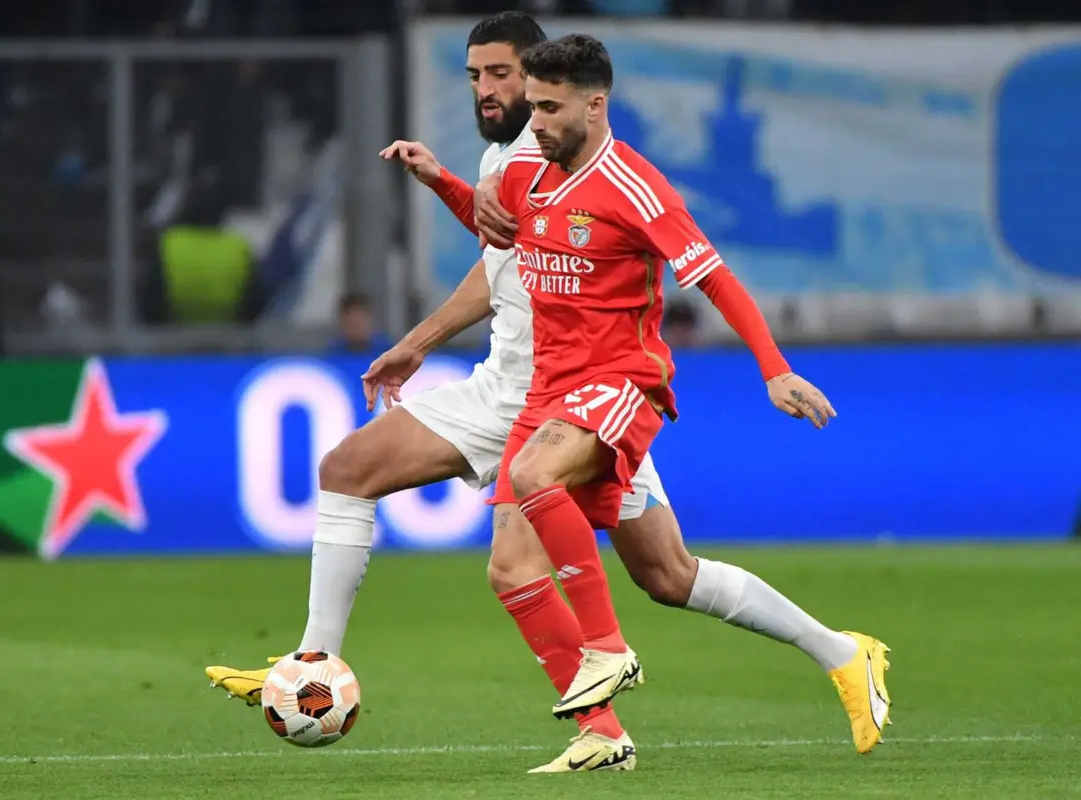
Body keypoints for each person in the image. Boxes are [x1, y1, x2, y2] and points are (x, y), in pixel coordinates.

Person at [207, 14, 889, 771]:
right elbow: (502, 262)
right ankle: (317, 666)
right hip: (514, 390)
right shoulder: (516, 162)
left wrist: (774, 367)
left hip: (589, 396)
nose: (491, 92)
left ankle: (824, 651)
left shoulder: (583, 158)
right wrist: (418, 319)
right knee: (351, 473)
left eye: (502, 75)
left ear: (556, 87)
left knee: (665, 574)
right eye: (476, 78)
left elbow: (704, 272)